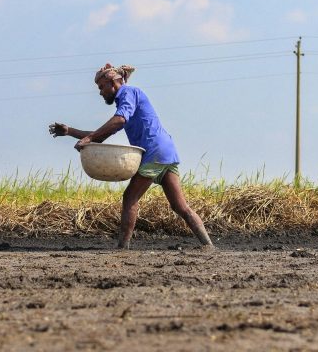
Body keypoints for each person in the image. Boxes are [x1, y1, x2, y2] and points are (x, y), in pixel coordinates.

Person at [49, 63, 213, 250]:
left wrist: (89, 138)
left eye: (102, 87)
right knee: (180, 207)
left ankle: (122, 248)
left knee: (130, 197)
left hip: (154, 151)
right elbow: (102, 134)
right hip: (166, 150)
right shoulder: (125, 99)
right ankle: (208, 245)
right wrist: (70, 131)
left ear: (113, 82)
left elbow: (118, 121)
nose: (101, 92)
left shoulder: (128, 93)